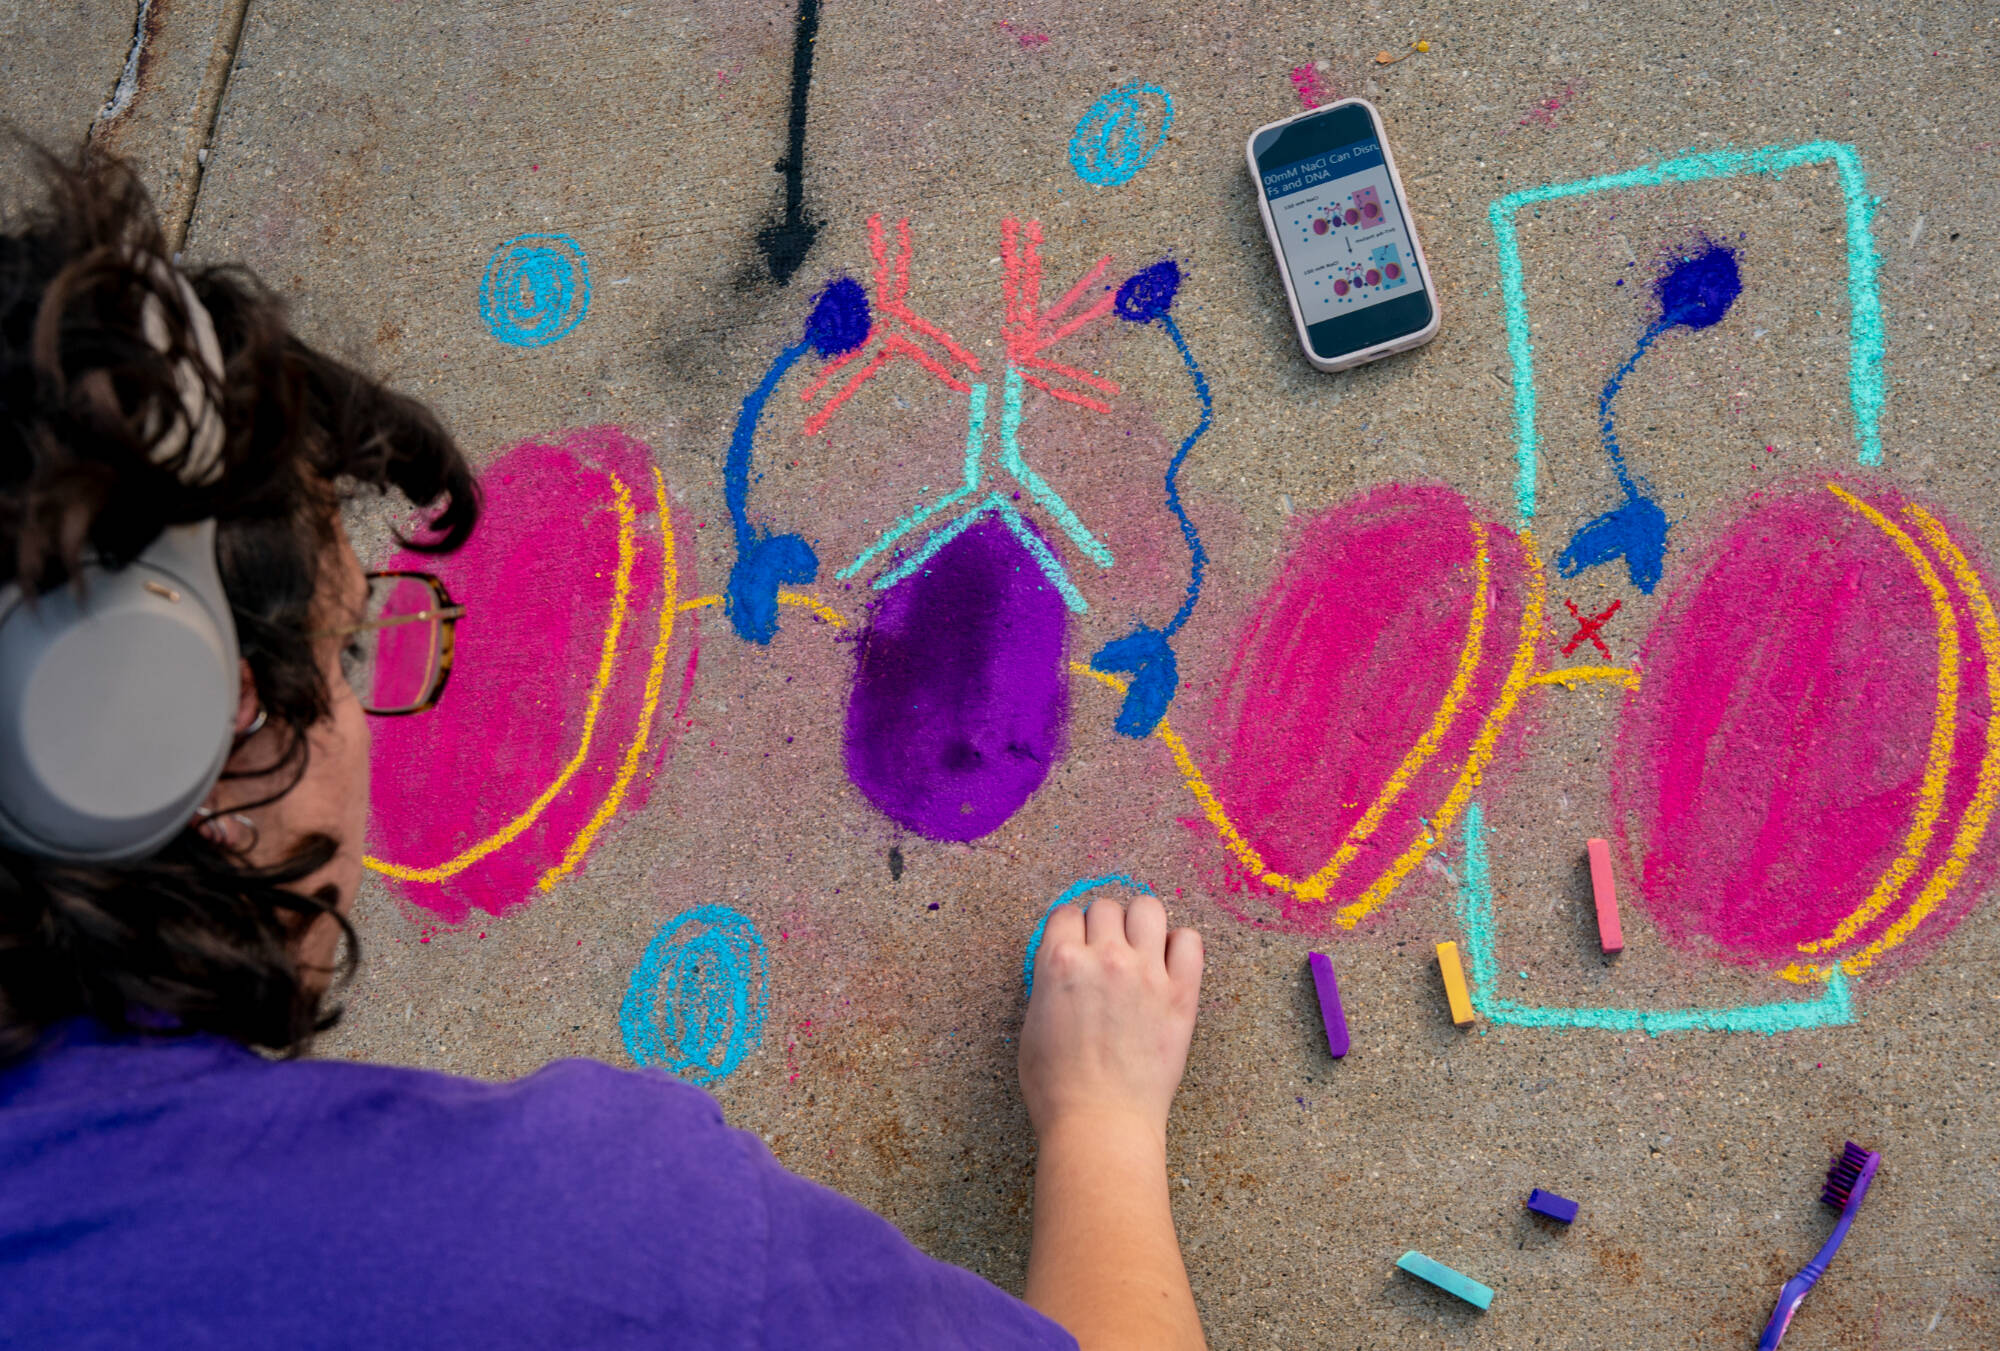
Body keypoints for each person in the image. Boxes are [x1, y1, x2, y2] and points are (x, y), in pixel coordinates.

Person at [0, 151, 1208, 1351]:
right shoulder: (587, 1244)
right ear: (191, 752)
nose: (367, 712)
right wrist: (1100, 1118)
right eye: (344, 654)